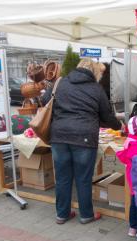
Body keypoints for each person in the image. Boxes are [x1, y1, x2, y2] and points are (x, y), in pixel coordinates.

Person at [43, 58, 121, 225]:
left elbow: (44, 101)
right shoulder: (96, 89)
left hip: (59, 137)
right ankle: (86, 215)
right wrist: (119, 125)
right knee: (83, 178)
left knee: (63, 178)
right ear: (94, 71)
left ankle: (62, 214)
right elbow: (107, 117)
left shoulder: (60, 83)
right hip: (84, 138)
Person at [116, 116, 137, 236]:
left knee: (134, 201)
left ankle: (133, 227)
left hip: (132, 177)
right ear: (136, 132)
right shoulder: (136, 144)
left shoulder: (130, 140)